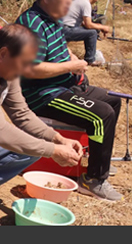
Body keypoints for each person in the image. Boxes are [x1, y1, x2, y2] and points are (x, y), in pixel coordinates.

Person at [17, 0, 122, 201]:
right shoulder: (31, 23)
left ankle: (98, 161)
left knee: (113, 101)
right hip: (43, 95)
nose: (68, 4)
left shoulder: (52, 17)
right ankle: (93, 180)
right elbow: (31, 70)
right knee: (101, 115)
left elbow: (58, 48)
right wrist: (69, 66)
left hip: (65, 85)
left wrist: (71, 58)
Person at [0, 23, 83, 187]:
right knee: (41, 148)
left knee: (36, 147)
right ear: (3, 53)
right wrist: (52, 150)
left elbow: (21, 113)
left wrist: (57, 139)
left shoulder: (10, 70)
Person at [61, 0, 111, 65]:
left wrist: (98, 28)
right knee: (92, 33)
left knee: (92, 31)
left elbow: (84, 23)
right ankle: (90, 59)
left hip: (59, 28)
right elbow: (88, 24)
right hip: (64, 30)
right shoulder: (86, 3)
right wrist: (103, 27)